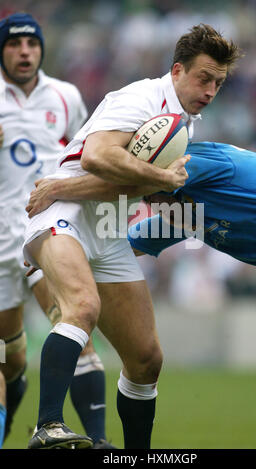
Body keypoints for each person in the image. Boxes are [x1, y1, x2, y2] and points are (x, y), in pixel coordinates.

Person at [22, 24, 241, 449]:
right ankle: (47, 426)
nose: (211, 90)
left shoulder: (184, 124)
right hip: (61, 216)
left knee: (145, 359)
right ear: (177, 70)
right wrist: (161, 177)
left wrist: (159, 192)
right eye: (203, 78)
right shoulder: (140, 98)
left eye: (219, 82)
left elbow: (132, 188)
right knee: (82, 306)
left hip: (106, 227)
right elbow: (97, 156)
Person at [26, 141, 256, 418]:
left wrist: (59, 189)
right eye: (148, 202)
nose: (151, 205)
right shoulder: (186, 214)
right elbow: (116, 245)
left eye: (148, 197)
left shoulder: (198, 161)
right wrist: (56, 249)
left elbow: (127, 182)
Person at [0, 12, 112, 449]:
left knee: (76, 323)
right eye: (13, 44)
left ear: (41, 48)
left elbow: (84, 155)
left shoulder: (65, 96)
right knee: (10, 360)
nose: (24, 51)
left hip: (41, 233)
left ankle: (98, 443)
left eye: (31, 44)